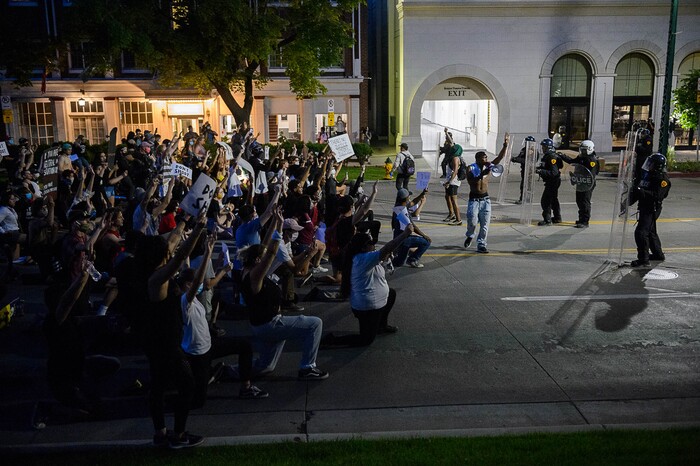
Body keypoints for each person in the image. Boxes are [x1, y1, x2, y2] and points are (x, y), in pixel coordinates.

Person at [239, 206, 328, 380]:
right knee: (314, 324)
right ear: (258, 261)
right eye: (262, 259)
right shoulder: (254, 276)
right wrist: (278, 232)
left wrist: (277, 223)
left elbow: (265, 244)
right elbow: (270, 251)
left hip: (263, 326)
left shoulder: (248, 270)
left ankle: (229, 370)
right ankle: (307, 367)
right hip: (271, 324)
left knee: (265, 367)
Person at [179, 234, 268, 404]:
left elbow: (187, 268)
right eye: (194, 284)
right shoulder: (184, 302)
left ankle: (246, 387)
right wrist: (207, 253)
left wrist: (187, 245)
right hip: (198, 354)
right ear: (188, 286)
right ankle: (210, 374)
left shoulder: (192, 294)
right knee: (198, 401)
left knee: (244, 346)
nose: (198, 286)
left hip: (209, 345)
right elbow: (198, 279)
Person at [322, 225, 415, 347]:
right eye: (371, 242)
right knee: (366, 340)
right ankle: (332, 341)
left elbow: (385, 255)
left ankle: (381, 326)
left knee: (391, 293)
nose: (374, 244)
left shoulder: (365, 257)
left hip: (375, 302)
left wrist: (385, 259)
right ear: (364, 247)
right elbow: (388, 247)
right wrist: (405, 234)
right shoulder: (363, 259)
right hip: (368, 307)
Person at [463, 134, 509, 253]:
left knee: (485, 224)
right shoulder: (471, 168)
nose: (486, 159)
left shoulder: (488, 166)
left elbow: (499, 158)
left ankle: (481, 244)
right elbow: (471, 181)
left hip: (485, 199)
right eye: (484, 158)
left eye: (486, 157)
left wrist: (505, 145)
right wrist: (481, 175)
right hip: (474, 199)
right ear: (478, 159)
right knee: (472, 221)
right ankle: (470, 235)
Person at [629, 152, 671, 267]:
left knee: (641, 233)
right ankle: (658, 254)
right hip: (644, 206)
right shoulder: (648, 175)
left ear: (657, 166)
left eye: (651, 164)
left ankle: (643, 259)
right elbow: (640, 189)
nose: (649, 165)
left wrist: (640, 191)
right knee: (651, 231)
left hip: (651, 208)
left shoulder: (662, 180)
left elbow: (657, 196)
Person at [559, 139, 599, 228]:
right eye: (582, 149)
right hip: (580, 182)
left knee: (585, 201)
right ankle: (581, 218)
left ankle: (585, 221)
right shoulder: (581, 157)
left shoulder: (591, 160)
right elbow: (573, 162)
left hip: (587, 183)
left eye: (585, 150)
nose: (583, 152)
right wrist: (563, 156)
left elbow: (590, 174)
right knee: (579, 200)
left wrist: (579, 175)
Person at [391, 188, 431, 268]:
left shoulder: (399, 206)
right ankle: (413, 259)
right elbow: (413, 226)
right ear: (405, 199)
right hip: (405, 239)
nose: (409, 198)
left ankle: (389, 260)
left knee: (399, 263)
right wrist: (424, 235)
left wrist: (422, 194)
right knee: (426, 242)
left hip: (398, 238)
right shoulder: (403, 212)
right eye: (408, 196)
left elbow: (413, 202)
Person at [536, 138, 563, 226]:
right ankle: (557, 217)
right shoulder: (549, 156)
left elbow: (554, 172)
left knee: (545, 201)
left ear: (548, 147)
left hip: (553, 181)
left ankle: (547, 220)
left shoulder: (552, 157)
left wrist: (541, 171)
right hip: (552, 181)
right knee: (554, 200)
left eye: (544, 147)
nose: (543, 149)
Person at [0, 192, 22, 281]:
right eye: (12, 199)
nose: (14, 201)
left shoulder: (11, 209)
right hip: (10, 234)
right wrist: (3, 232)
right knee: (29, 240)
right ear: (7, 200)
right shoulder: (3, 210)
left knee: (10, 257)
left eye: (14, 199)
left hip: (15, 232)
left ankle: (9, 274)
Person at [442, 142, 463, 226]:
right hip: (449, 180)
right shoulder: (453, 157)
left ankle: (458, 219)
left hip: (453, 182)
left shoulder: (455, 159)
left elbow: (455, 171)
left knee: (454, 200)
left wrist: (449, 182)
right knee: (447, 197)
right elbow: (451, 143)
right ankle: (451, 214)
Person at [511, 136, 536, 204]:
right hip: (523, 169)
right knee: (523, 185)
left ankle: (526, 198)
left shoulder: (533, 151)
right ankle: (523, 198)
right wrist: (514, 159)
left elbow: (527, 161)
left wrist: (516, 159)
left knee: (527, 185)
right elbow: (520, 157)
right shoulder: (524, 149)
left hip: (529, 170)